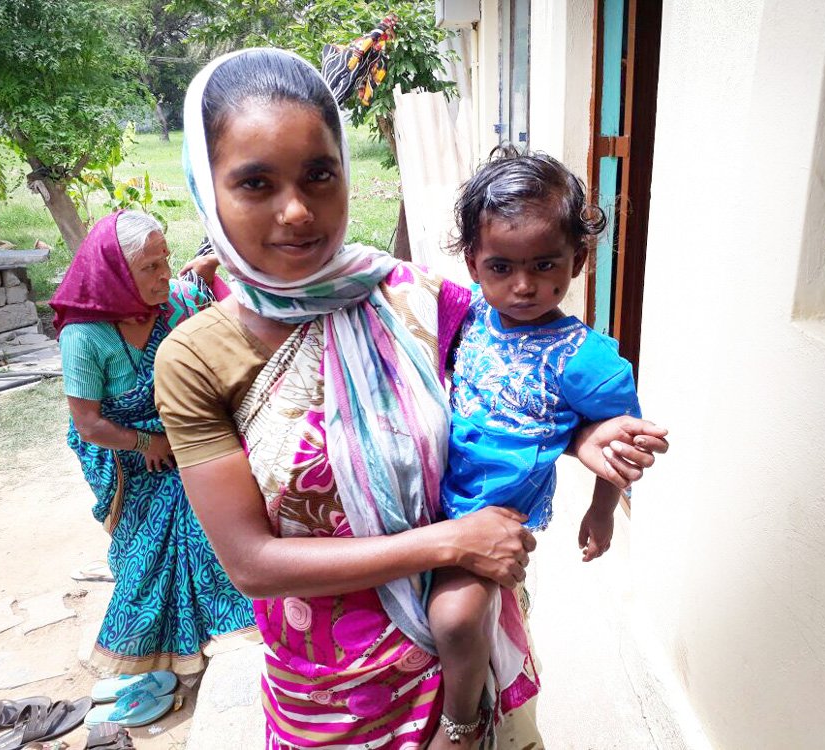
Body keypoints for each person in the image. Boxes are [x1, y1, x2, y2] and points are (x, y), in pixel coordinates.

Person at [154, 48, 668, 749]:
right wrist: (453, 540)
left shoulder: (416, 301)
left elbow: (515, 378)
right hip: (332, 690)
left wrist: (583, 437)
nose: (297, 210)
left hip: (469, 652)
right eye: (255, 183)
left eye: (319, 174)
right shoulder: (196, 359)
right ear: (207, 188)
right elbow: (252, 563)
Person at [426, 149, 642, 748]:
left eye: (545, 265)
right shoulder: (469, 315)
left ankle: (460, 724)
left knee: (455, 617)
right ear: (474, 263)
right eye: (501, 267)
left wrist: (602, 510)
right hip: (426, 499)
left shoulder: (586, 358)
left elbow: (620, 441)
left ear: (578, 260)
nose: (523, 286)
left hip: (490, 518)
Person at [51, 210, 256, 676]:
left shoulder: (175, 303)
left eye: (165, 260)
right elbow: (88, 424)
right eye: (150, 267)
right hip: (123, 453)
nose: (164, 273)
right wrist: (148, 442)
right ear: (118, 274)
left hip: (180, 438)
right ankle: (160, 643)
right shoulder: (84, 337)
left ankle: (219, 619)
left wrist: (209, 271)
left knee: (215, 498)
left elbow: (222, 317)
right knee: (168, 525)